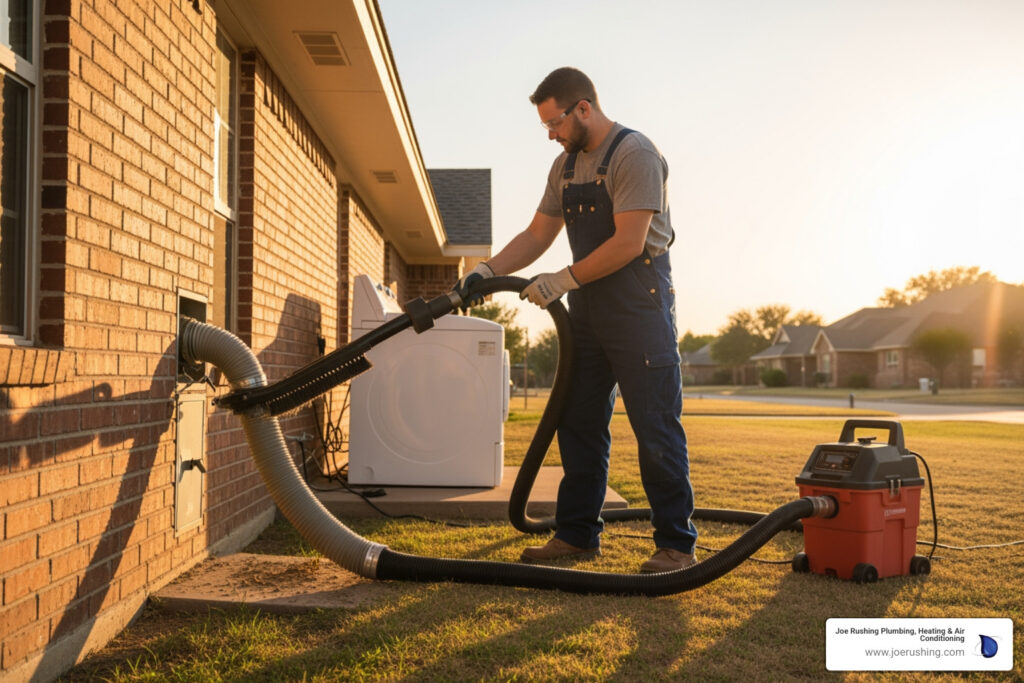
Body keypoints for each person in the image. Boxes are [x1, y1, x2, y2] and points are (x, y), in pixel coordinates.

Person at [454, 67, 697, 573]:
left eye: (556, 123)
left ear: (583, 108)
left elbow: (630, 243)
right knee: (579, 422)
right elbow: (538, 234)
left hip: (639, 307)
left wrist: (561, 281)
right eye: (546, 126)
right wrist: (487, 269)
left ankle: (676, 544)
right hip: (587, 312)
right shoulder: (564, 168)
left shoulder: (635, 154)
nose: (551, 135)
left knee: (655, 427)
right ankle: (577, 535)